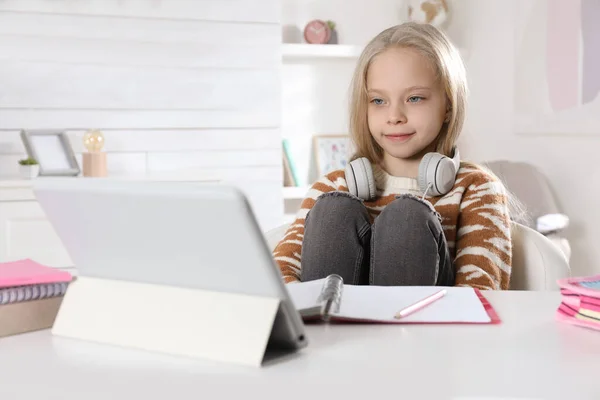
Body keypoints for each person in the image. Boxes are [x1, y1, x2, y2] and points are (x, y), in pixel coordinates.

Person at [273, 22, 513, 290]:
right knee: (332, 210)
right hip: (334, 329)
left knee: (407, 218)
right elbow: (278, 276)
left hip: (432, 327)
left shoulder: (476, 189)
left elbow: (481, 296)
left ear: (448, 104)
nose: (394, 116)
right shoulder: (333, 186)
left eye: (414, 98)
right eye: (378, 101)